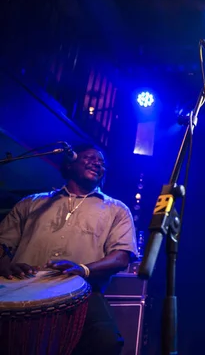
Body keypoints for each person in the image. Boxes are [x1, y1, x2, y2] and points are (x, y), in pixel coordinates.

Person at [0, 143, 138, 355]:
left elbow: (121, 257)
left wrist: (82, 269)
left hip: (83, 293)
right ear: (70, 162)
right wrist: (5, 264)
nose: (97, 163)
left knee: (107, 342)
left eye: (101, 162)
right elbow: (2, 242)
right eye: (89, 158)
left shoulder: (117, 209)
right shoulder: (31, 203)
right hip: (19, 290)